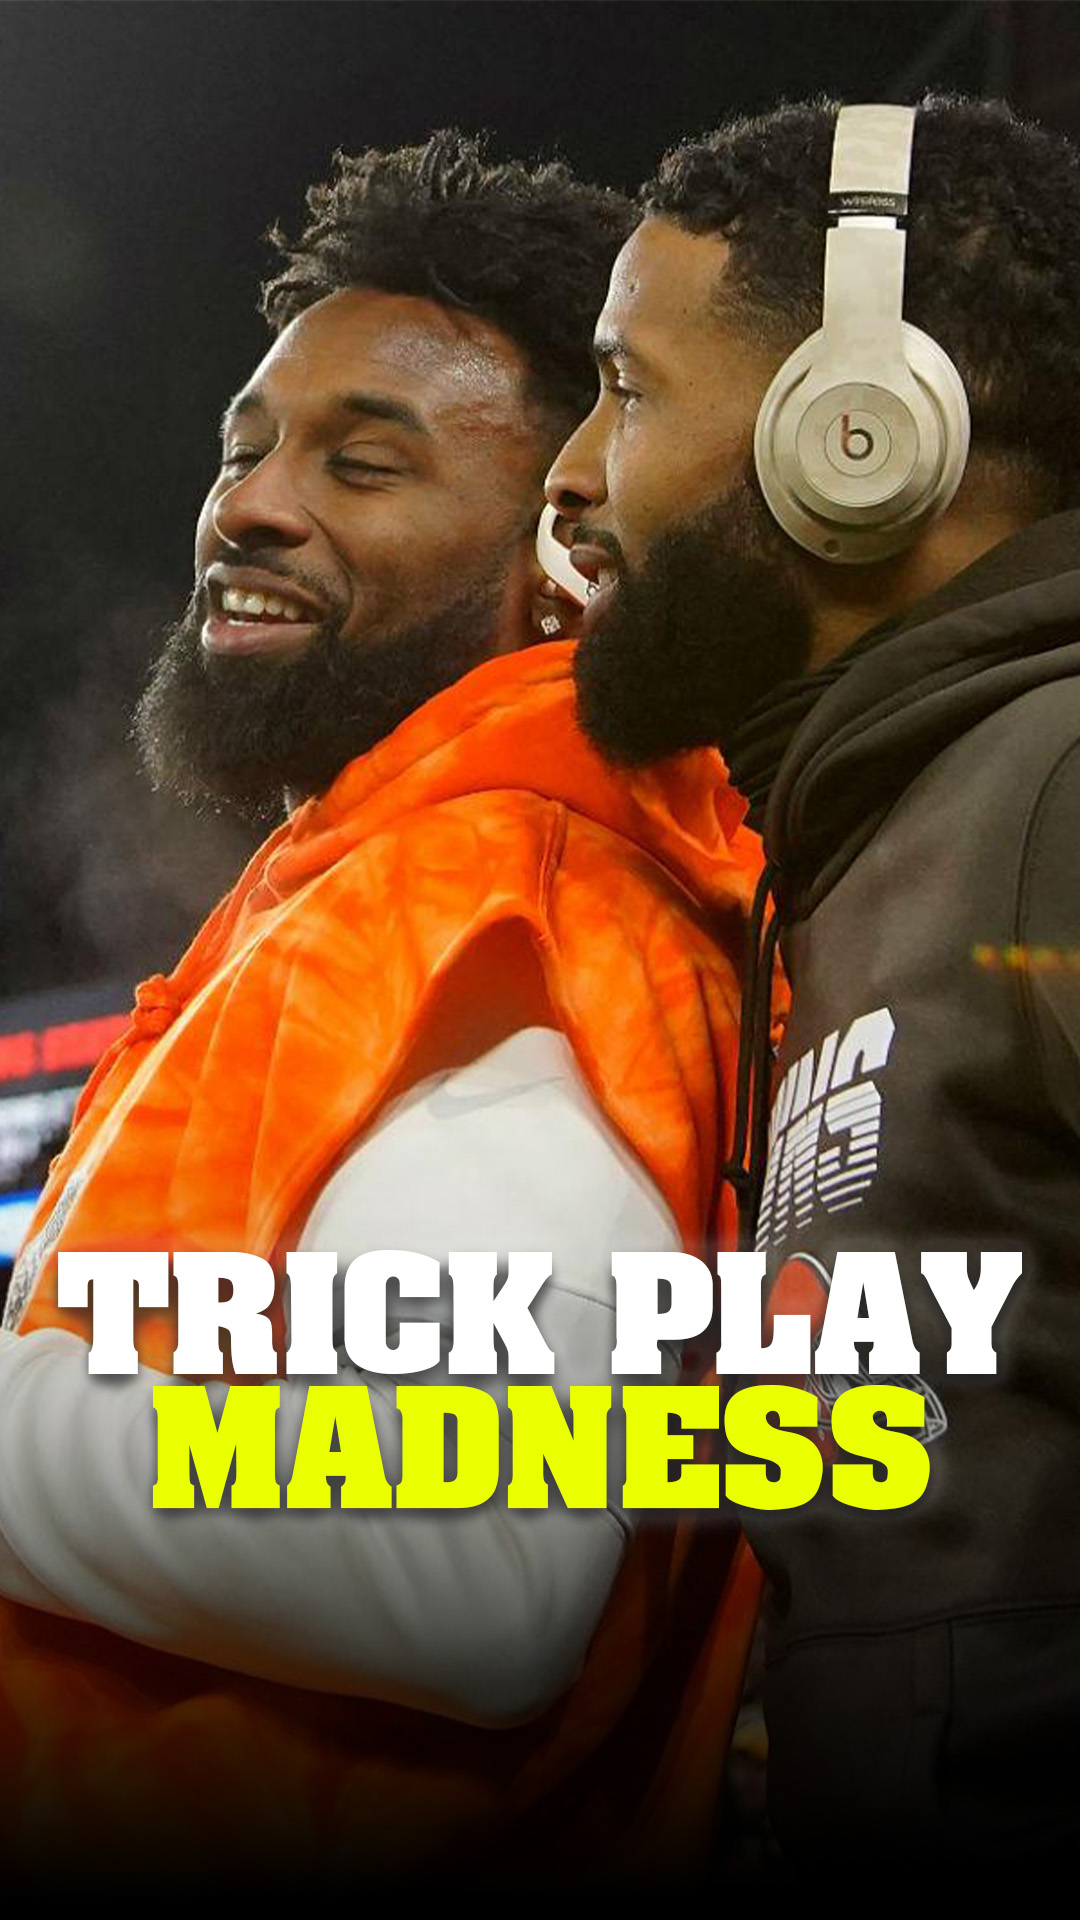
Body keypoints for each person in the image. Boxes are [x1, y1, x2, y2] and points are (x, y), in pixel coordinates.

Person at [0, 132, 764, 1885]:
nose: (252, 506)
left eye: (365, 463)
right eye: (245, 448)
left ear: (568, 545)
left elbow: (465, 1563)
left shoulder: (515, 888)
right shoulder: (386, 879)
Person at [545, 94, 1080, 1866]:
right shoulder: (882, 837)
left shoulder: (1059, 782)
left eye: (625, 389)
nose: (571, 473)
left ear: (863, 430)